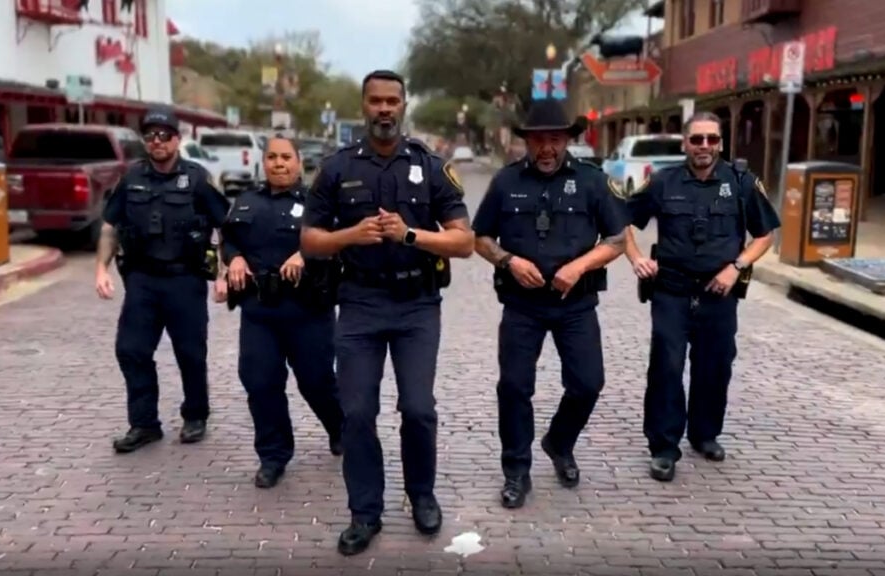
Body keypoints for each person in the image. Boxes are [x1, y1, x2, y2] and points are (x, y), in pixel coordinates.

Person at [300, 69, 474, 556]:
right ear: (364, 107)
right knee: (357, 412)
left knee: (418, 408)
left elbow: (463, 241)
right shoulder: (336, 168)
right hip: (358, 303)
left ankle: (421, 495)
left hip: (417, 305)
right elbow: (310, 239)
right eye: (375, 101)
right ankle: (364, 511)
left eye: (391, 101)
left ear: (403, 105)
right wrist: (348, 236)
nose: (383, 109)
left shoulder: (429, 166)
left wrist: (410, 235)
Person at [472, 99, 631, 509]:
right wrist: (509, 260)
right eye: (539, 140)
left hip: (575, 303)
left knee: (588, 383)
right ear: (527, 142)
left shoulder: (593, 181)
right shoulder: (506, 182)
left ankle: (560, 442)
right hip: (522, 304)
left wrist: (579, 267)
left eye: (555, 140)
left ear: (568, 141)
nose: (547, 148)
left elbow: (617, 239)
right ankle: (516, 472)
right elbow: (481, 237)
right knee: (513, 388)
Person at [623, 111, 781, 482]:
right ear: (685, 143)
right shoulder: (663, 182)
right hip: (672, 290)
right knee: (667, 366)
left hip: (719, 291)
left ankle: (704, 433)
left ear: (721, 143)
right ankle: (664, 447)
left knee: (715, 366)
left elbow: (765, 235)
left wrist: (736, 267)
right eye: (697, 140)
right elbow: (621, 220)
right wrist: (636, 258)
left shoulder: (741, 183)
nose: (704, 146)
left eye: (712, 139)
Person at [95, 107, 231, 454]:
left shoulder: (197, 178)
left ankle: (195, 415)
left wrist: (225, 272)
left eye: (164, 135)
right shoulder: (132, 178)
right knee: (131, 350)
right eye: (151, 135)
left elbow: (225, 224)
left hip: (185, 280)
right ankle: (144, 424)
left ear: (177, 139)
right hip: (142, 280)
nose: (157, 141)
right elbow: (110, 225)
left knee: (190, 353)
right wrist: (101, 268)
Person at [216, 136, 345, 489]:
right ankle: (273, 455)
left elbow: (338, 241)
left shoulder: (317, 205)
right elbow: (228, 238)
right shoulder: (246, 200)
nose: (279, 163)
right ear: (264, 162)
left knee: (316, 381)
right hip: (259, 311)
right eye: (272, 157)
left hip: (307, 310)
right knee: (260, 383)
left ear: (299, 162)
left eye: (286, 157)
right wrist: (234, 258)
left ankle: (340, 427)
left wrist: (306, 253)